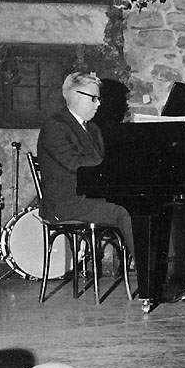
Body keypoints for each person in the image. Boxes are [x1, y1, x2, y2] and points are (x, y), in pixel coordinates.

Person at [36, 71, 136, 262]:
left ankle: (163, 271)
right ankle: (148, 274)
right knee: (126, 212)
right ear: (76, 96)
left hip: (88, 197)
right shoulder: (55, 126)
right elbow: (74, 163)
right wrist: (113, 165)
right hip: (65, 204)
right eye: (94, 98)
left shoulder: (93, 129)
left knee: (144, 206)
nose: (98, 104)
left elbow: (101, 163)